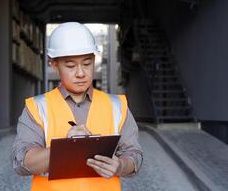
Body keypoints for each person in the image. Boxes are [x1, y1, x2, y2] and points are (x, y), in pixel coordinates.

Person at [12, 22, 143, 191]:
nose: (81, 73)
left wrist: (121, 166)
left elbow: (134, 155)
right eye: (71, 66)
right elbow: (21, 162)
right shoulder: (36, 108)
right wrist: (64, 148)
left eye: (87, 63)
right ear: (54, 64)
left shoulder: (117, 106)